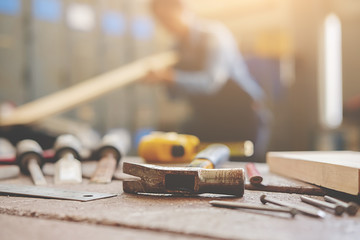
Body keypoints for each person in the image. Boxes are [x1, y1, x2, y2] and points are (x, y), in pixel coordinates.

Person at [146, 0, 270, 161]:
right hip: (207, 119)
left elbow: (210, 83)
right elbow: (174, 97)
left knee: (243, 174)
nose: (165, 25)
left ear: (182, 10)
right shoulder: (176, 48)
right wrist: (161, 80)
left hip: (240, 118)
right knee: (200, 168)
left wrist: (170, 77)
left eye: (167, 18)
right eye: (160, 20)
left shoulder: (214, 36)